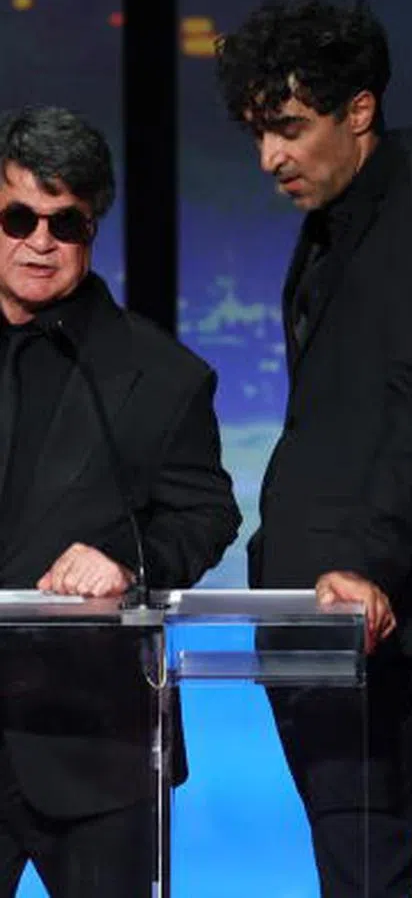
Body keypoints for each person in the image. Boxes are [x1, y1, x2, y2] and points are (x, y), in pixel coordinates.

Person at [215, 0, 412, 897]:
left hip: (372, 604)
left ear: (360, 112)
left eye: (292, 128)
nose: (271, 156)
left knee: (367, 866)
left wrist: (372, 564)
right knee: (354, 865)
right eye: (259, 132)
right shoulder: (337, 221)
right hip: (314, 593)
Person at [0, 105, 241, 896]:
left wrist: (128, 561)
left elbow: (205, 514)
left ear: (92, 228)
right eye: (19, 216)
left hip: (95, 750)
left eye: (63, 222)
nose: (40, 240)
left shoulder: (161, 376)